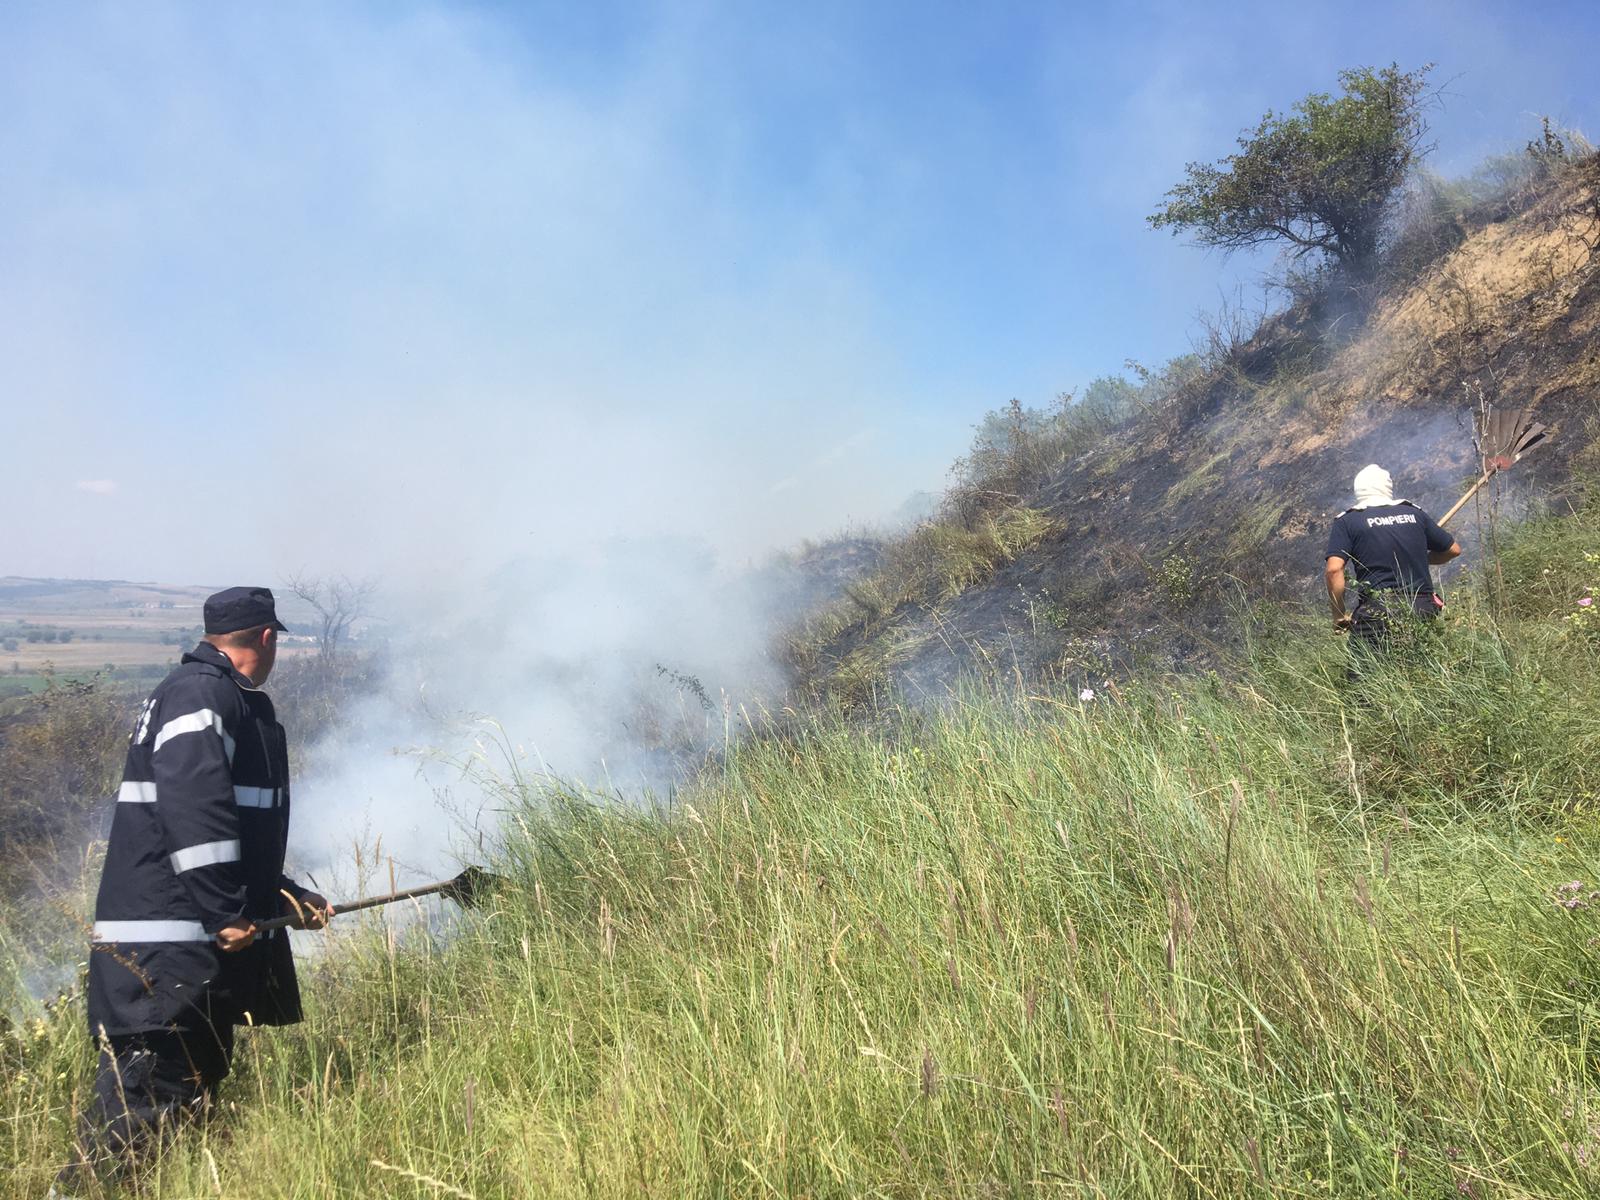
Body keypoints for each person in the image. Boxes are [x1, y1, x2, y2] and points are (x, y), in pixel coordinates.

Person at [68, 586, 331, 1180]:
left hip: (188, 953)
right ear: (267, 638)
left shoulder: (204, 696)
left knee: (179, 1119)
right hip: (167, 955)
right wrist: (224, 912)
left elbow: (225, 830)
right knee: (135, 1125)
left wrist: (287, 895)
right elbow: (195, 814)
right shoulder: (200, 696)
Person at [1324, 464, 1461, 652]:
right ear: (1387, 488)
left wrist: (1338, 615)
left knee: (1365, 678)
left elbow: (1334, 569)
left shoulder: (1348, 521)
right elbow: (1452, 550)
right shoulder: (1414, 513)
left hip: (1378, 612)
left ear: (1358, 490)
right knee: (1426, 673)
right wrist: (1419, 558)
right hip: (1423, 606)